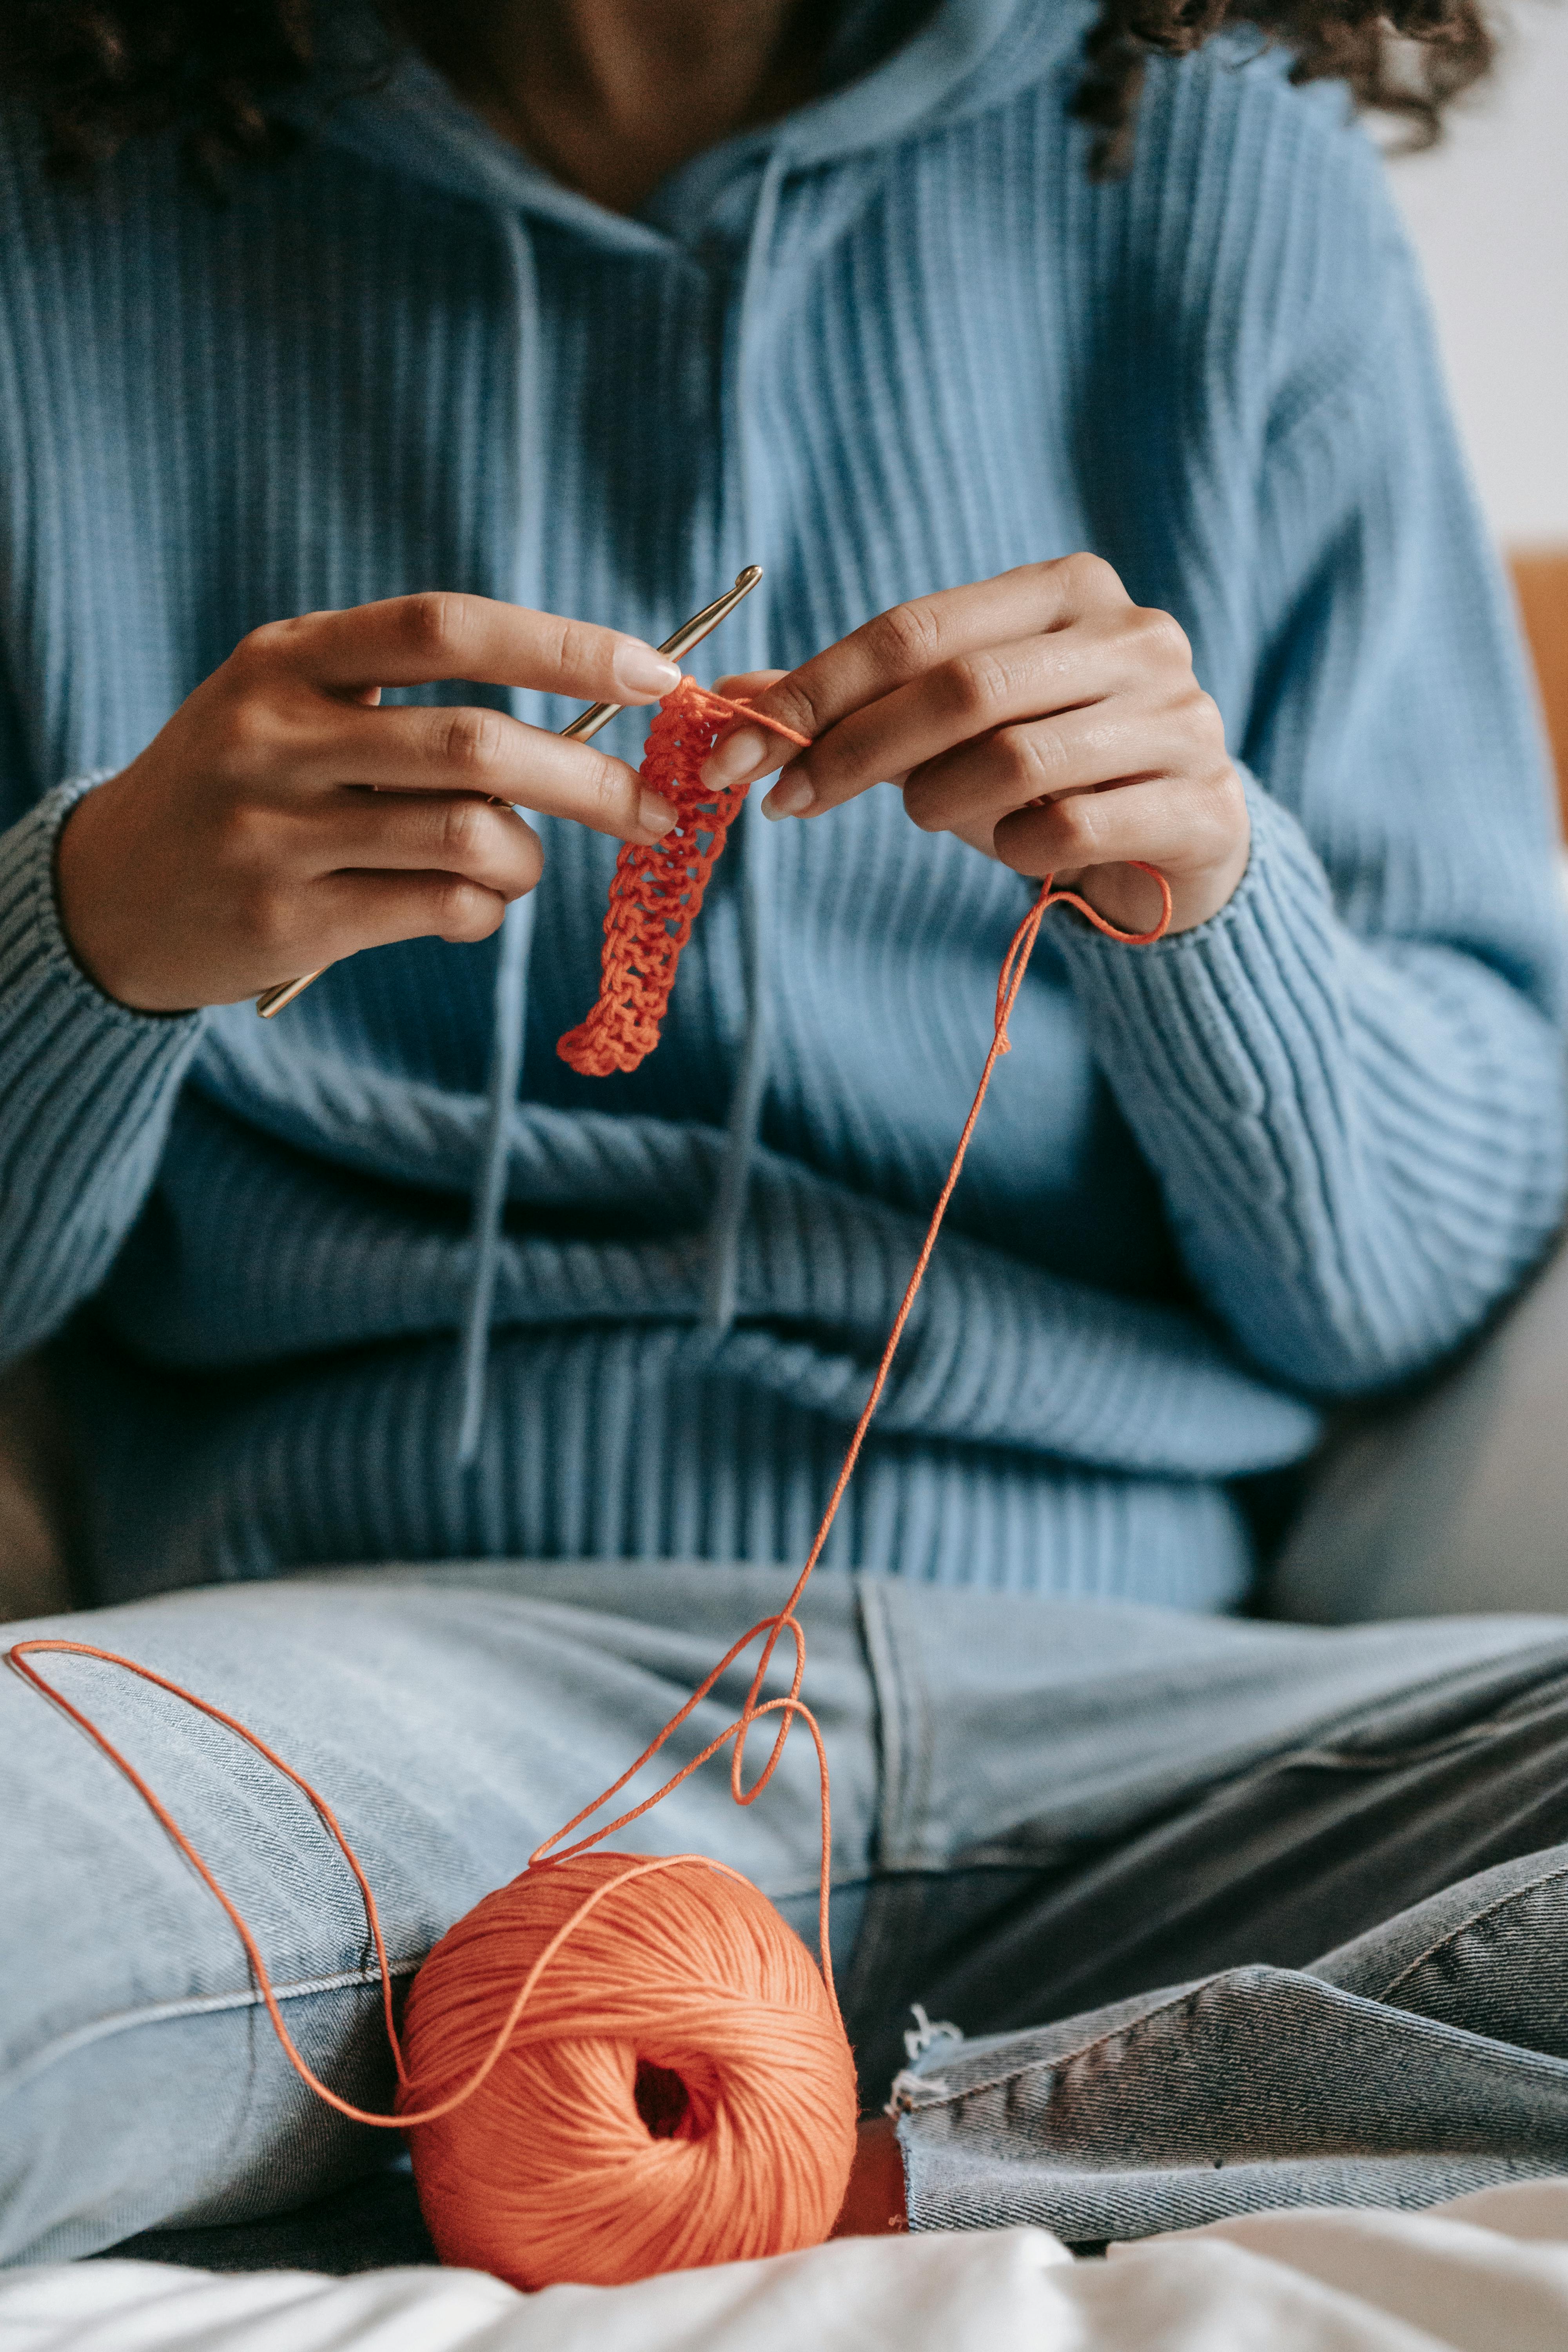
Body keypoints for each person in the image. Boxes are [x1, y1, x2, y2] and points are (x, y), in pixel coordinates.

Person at [4, 0, 1568, 2277]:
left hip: (1166, 1734)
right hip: (356, 1721)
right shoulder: (49, 194)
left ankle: (855, 2169)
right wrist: (83, 927)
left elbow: (1418, 1280)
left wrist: (1212, 914)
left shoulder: (1227, 172)